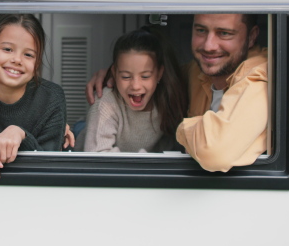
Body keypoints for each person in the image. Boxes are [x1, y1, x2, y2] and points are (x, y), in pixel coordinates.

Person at [86, 14, 267, 172]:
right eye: (201, 30)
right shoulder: (200, 72)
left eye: (224, 33)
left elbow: (215, 153)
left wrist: (184, 128)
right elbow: (155, 75)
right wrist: (115, 74)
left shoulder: (259, 78)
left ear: (251, 37)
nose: (209, 45)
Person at [0, 14, 67, 183]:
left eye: (29, 55)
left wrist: (21, 134)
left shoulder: (52, 97)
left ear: (36, 64)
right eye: (8, 49)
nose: (17, 60)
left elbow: (50, 163)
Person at [83, 27, 187, 153]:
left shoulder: (167, 99)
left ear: (159, 74)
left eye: (145, 76)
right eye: (126, 76)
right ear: (114, 73)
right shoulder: (106, 103)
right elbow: (97, 158)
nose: (135, 85)